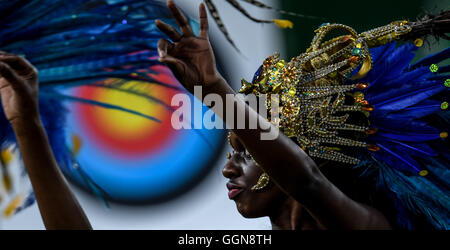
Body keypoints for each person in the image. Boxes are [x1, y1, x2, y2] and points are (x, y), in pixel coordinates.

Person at [156, 0, 449, 229]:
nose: (228, 169)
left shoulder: (367, 225)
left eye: (247, 151)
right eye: (235, 151)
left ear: (306, 154)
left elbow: (306, 182)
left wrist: (213, 88)